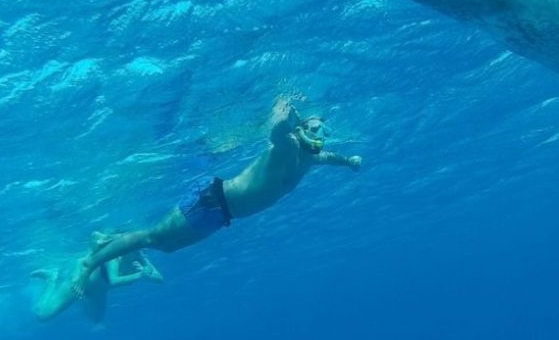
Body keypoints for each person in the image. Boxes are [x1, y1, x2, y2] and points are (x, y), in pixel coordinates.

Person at [68, 101, 363, 295]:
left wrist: (348, 161)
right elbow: (275, 132)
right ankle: (90, 264)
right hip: (212, 199)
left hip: (223, 215)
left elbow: (327, 157)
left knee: (166, 248)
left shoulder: (308, 159)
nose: (320, 133)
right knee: (151, 238)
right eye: (314, 127)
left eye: (324, 129)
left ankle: (107, 241)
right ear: (301, 130)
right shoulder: (288, 146)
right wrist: (287, 118)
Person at [31, 246, 164, 323]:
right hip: (78, 283)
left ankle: (83, 298)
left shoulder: (142, 260)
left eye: (143, 250)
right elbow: (113, 280)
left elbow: (159, 279)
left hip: (97, 292)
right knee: (42, 315)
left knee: (96, 320)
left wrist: (147, 273)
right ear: (128, 249)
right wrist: (140, 275)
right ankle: (51, 278)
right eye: (137, 250)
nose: (141, 253)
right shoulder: (115, 256)